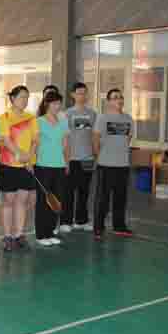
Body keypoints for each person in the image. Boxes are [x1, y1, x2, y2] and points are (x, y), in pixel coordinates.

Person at [0, 86, 38, 252]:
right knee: (8, 201)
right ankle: (7, 236)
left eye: (27, 97)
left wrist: (29, 157)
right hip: (8, 165)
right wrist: (20, 154)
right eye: (22, 97)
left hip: (26, 165)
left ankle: (19, 234)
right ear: (12, 98)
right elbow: (6, 140)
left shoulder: (31, 118)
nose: (25, 100)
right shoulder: (4, 118)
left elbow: (35, 140)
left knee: (22, 200)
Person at [92, 88, 134, 240]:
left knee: (120, 198)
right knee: (102, 199)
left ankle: (119, 226)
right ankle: (98, 228)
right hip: (106, 165)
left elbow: (128, 139)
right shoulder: (102, 118)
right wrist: (100, 157)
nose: (119, 100)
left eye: (121, 97)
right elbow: (95, 140)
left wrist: (119, 153)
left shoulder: (129, 119)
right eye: (115, 97)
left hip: (123, 165)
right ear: (109, 101)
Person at [34, 91, 69, 246]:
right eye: (55, 103)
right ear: (47, 104)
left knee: (56, 201)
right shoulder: (39, 121)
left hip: (59, 166)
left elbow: (65, 144)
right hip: (43, 166)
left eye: (59, 103)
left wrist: (67, 162)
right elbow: (35, 144)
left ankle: (50, 232)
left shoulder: (63, 122)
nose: (57, 106)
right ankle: (41, 235)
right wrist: (31, 161)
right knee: (43, 201)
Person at [63, 82, 97, 232]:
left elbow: (94, 136)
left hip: (87, 159)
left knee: (84, 191)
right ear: (73, 95)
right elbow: (65, 138)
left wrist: (95, 156)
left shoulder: (92, 114)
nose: (82, 96)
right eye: (79, 93)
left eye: (84, 93)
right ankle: (66, 221)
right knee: (68, 192)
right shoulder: (67, 114)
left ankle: (81, 221)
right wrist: (66, 159)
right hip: (72, 158)